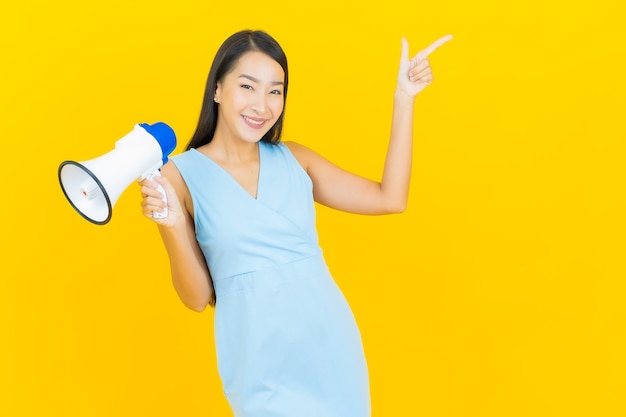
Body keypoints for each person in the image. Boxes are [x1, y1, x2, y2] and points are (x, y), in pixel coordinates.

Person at [140, 29, 451, 417]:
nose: (262, 104)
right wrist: (170, 225)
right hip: (255, 361)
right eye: (248, 86)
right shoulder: (178, 176)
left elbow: (391, 199)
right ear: (217, 89)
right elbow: (196, 297)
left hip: (329, 346)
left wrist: (404, 99)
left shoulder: (295, 159)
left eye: (275, 91)